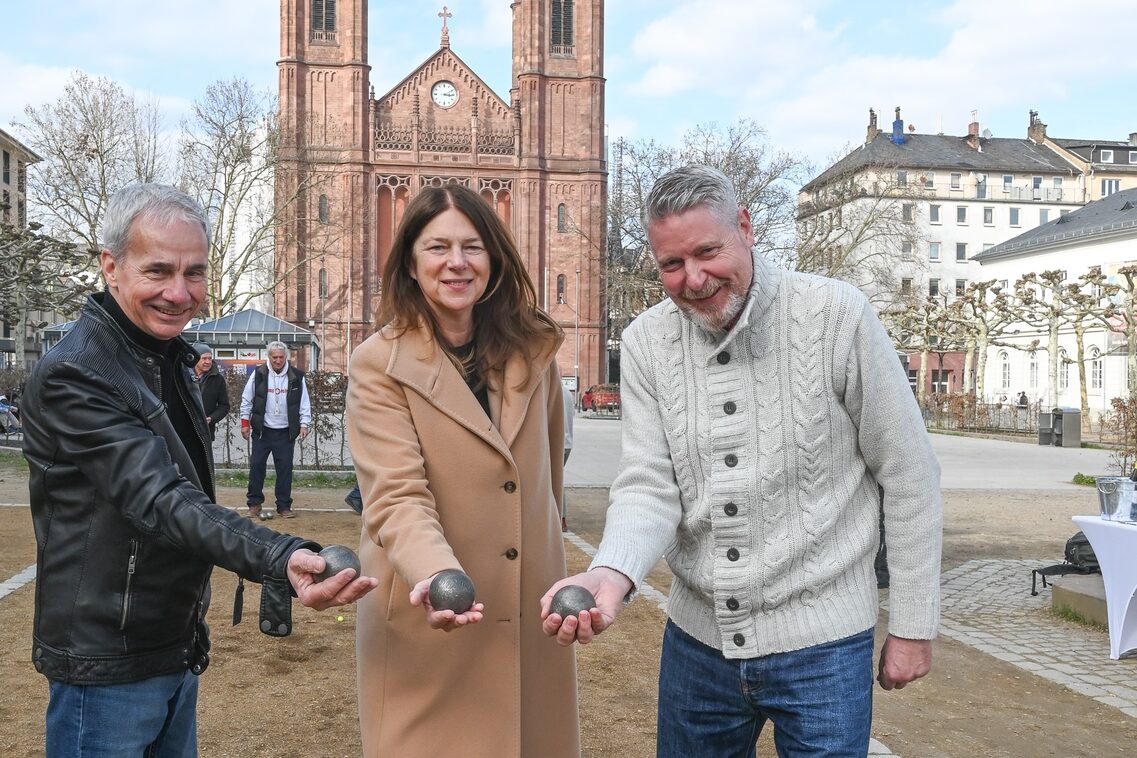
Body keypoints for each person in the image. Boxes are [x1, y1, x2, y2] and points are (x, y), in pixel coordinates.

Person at [541, 166, 943, 757]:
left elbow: (908, 473)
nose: (694, 279)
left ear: (746, 228)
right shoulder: (648, 341)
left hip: (825, 644)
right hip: (698, 644)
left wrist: (913, 624)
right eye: (671, 265)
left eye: (708, 252)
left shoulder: (837, 316)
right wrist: (612, 572)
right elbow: (650, 484)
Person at [20, 183, 377, 758]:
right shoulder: (78, 374)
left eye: (195, 273)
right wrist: (279, 556)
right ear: (111, 267)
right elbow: (163, 499)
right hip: (108, 660)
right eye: (158, 270)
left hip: (171, 643)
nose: (178, 293)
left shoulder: (165, 358)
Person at [346, 184, 577, 757]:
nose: (457, 263)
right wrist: (435, 576)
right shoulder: (379, 363)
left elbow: (547, 475)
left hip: (528, 613)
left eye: (473, 246)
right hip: (430, 611)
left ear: (494, 258)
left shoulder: (535, 352)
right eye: (437, 247)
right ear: (410, 262)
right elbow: (396, 495)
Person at [239, 341, 311, 520]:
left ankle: (284, 506)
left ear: (286, 357)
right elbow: (246, 400)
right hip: (262, 431)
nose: (278, 361)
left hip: (285, 432)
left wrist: (304, 424)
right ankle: (254, 504)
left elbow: (304, 403)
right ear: (269, 357)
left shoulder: (297, 376)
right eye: (274, 357)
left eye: (281, 357)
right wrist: (245, 423)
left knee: (285, 469)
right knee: (256, 467)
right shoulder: (258, 374)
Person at [192, 342, 230, 439]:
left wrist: (211, 418)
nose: (208, 362)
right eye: (204, 358)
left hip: (206, 431)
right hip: (183, 430)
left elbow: (224, 406)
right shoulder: (183, 375)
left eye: (210, 358)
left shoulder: (218, 379)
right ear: (195, 358)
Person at [561, 383, 574, 531]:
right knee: (557, 480)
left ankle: (561, 518)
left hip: (557, 443)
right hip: (567, 443)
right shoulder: (566, 391)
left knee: (554, 482)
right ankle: (561, 518)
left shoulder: (551, 388)